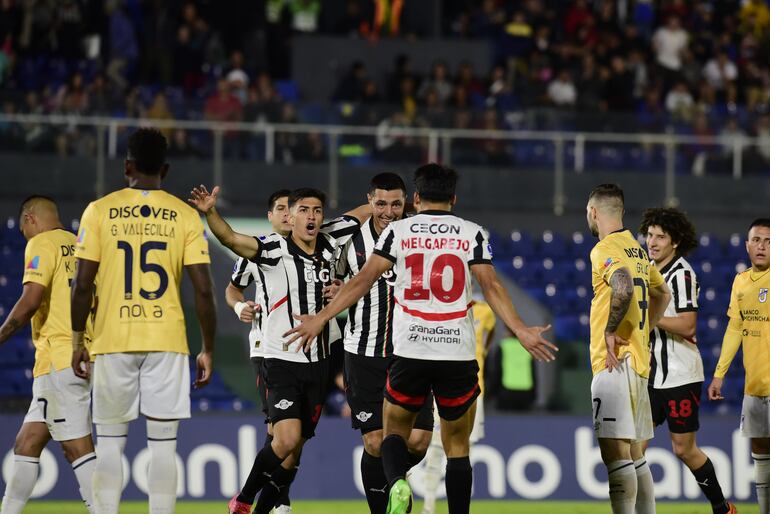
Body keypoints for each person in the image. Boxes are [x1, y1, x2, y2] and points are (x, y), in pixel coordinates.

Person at [284, 163, 558, 514]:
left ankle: (397, 482)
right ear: (454, 198)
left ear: (414, 198)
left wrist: (321, 318)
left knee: (394, 434)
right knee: (458, 447)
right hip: (456, 354)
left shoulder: (399, 233)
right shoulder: (471, 233)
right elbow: (491, 285)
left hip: (410, 350)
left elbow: (364, 279)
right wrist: (520, 329)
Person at [188, 185, 368, 514]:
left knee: (294, 450)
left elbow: (364, 212)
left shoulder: (331, 238)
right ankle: (243, 499)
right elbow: (229, 240)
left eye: (316, 211)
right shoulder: (269, 250)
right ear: (288, 217)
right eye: (301, 211)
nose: (309, 216)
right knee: (283, 439)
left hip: (322, 361)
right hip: (279, 357)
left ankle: (266, 509)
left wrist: (387, 207)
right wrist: (210, 212)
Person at [70, 128, 217, 514]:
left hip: (111, 338)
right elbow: (203, 290)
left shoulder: (98, 210)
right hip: (167, 339)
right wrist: (208, 348)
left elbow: (82, 285)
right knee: (164, 445)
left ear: (127, 166)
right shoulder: (185, 216)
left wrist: (75, 341)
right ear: (165, 169)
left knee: (110, 444)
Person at [336, 173, 433, 514]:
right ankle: (392, 502)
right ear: (369, 202)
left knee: (419, 441)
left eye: (396, 204)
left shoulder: (419, 235)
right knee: (376, 442)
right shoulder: (349, 240)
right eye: (380, 204)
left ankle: (396, 483)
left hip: (412, 352)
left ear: (406, 203)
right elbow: (333, 279)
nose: (389, 212)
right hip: (364, 353)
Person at [0, 196, 96, 514]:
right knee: (27, 443)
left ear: (30, 219)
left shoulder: (41, 242)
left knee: (76, 447)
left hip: (60, 356)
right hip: (82, 352)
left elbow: (30, 301)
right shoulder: (81, 244)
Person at [640, 208, 736, 514]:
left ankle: (722, 509)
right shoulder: (646, 269)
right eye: (650, 235)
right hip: (651, 376)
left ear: (675, 242)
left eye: (660, 237)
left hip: (681, 375)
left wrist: (649, 317)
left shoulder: (681, 274)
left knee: (683, 449)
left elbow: (688, 326)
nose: (652, 242)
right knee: (633, 448)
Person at [586, 184, 671, 514]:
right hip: (637, 363)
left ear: (594, 212)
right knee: (636, 454)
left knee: (615, 454)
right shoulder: (637, 250)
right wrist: (643, 332)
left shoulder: (604, 248)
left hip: (612, 364)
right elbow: (663, 294)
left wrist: (610, 330)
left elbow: (620, 284)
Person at [225, 189, 294, 514]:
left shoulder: (313, 250)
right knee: (277, 429)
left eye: (289, 209)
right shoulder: (257, 250)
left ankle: (269, 499)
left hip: (309, 352)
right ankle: (277, 502)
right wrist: (240, 306)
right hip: (268, 350)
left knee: (296, 436)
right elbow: (232, 288)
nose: (285, 214)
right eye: (279, 208)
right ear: (270, 216)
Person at [709, 218, 770, 514]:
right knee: (760, 454)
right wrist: (719, 374)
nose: (762, 246)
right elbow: (735, 329)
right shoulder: (742, 282)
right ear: (746, 245)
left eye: (768, 241)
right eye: (757, 240)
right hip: (754, 387)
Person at [421, 293, 495, 514]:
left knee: (464, 449)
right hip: (442, 385)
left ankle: (458, 506)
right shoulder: (439, 305)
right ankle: (428, 505)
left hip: (474, 388)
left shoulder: (485, 311)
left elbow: (487, 342)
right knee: (435, 448)